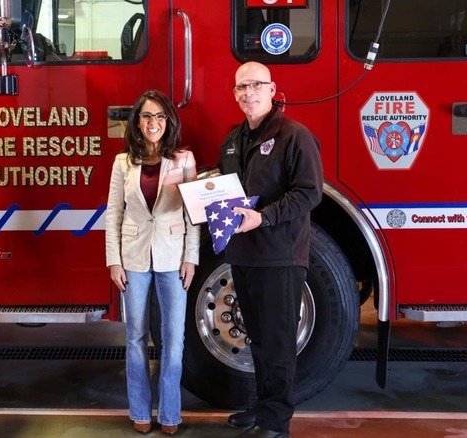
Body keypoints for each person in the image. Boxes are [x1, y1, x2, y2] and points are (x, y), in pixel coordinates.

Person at [221, 62, 323, 438]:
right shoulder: (233, 139)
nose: (248, 93)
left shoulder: (294, 136)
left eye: (255, 85)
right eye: (241, 87)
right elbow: (226, 191)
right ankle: (263, 407)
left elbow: (309, 192)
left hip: (280, 255)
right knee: (259, 339)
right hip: (244, 254)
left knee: (278, 342)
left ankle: (276, 423)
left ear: (271, 88)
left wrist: (263, 218)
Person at [105, 90, 199, 436]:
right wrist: (114, 261)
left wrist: (191, 258)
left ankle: (170, 414)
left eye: (160, 116)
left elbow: (193, 214)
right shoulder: (122, 163)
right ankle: (140, 410)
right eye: (146, 116)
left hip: (173, 258)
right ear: (137, 122)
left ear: (169, 121)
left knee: (174, 339)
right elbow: (113, 213)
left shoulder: (184, 160)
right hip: (133, 257)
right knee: (135, 337)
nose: (153, 122)